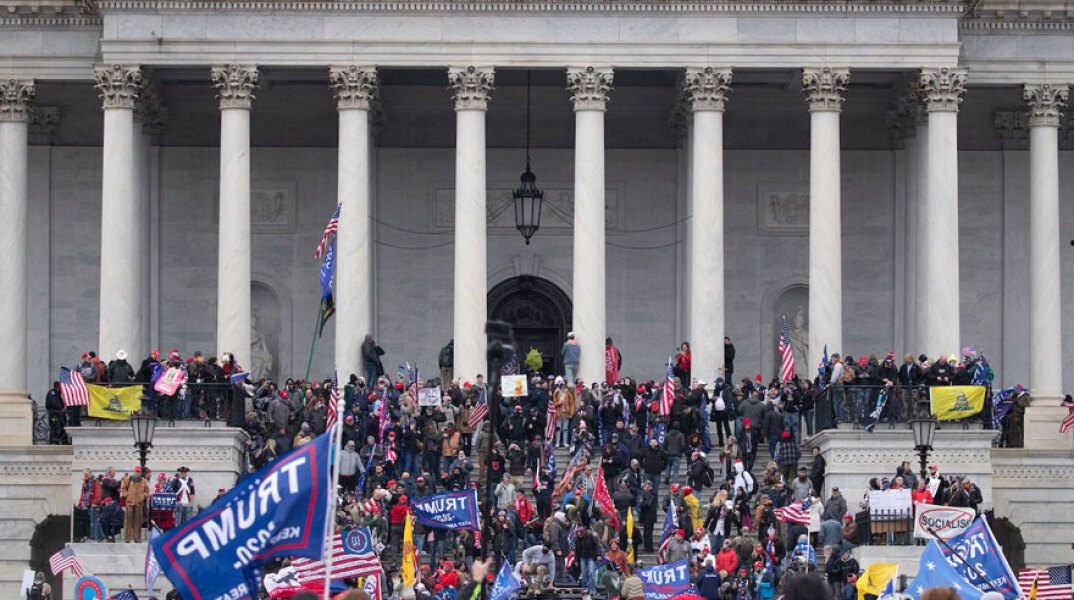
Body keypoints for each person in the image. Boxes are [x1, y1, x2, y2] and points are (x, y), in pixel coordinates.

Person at [122, 465, 149, 543]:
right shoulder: (128, 479)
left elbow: (147, 490)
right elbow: (123, 488)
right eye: (137, 471)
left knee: (138, 521)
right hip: (130, 503)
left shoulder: (143, 481)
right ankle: (127, 538)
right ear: (134, 471)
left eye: (139, 471)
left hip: (139, 504)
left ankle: (137, 538)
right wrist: (126, 495)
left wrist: (143, 496)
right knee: (128, 521)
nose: (138, 473)